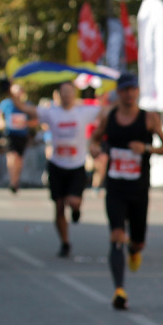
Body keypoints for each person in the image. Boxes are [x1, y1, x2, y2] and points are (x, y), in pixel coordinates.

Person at [88, 72, 163, 310]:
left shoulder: (149, 119)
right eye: (125, 90)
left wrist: (146, 148)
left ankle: (134, 250)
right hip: (115, 187)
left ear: (138, 91)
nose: (129, 94)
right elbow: (94, 140)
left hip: (139, 189)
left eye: (133, 89)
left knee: (137, 242)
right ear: (118, 92)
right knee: (116, 237)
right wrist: (94, 150)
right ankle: (119, 290)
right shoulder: (109, 117)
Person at [14, 82, 105, 257]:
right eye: (64, 92)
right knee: (59, 206)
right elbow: (25, 109)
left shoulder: (84, 111)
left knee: (73, 201)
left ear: (74, 93)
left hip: (76, 165)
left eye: (70, 92)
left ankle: (76, 210)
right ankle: (65, 242)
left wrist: (96, 139)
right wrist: (12, 93)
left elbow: (106, 112)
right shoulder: (51, 112)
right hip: (56, 164)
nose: (67, 95)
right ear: (59, 94)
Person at [0, 79, 34, 193]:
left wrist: (25, 123)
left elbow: (35, 120)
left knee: (19, 159)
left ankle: (16, 180)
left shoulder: (27, 105)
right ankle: (12, 181)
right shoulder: (6, 103)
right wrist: (1, 123)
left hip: (22, 135)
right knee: (12, 156)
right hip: (10, 134)